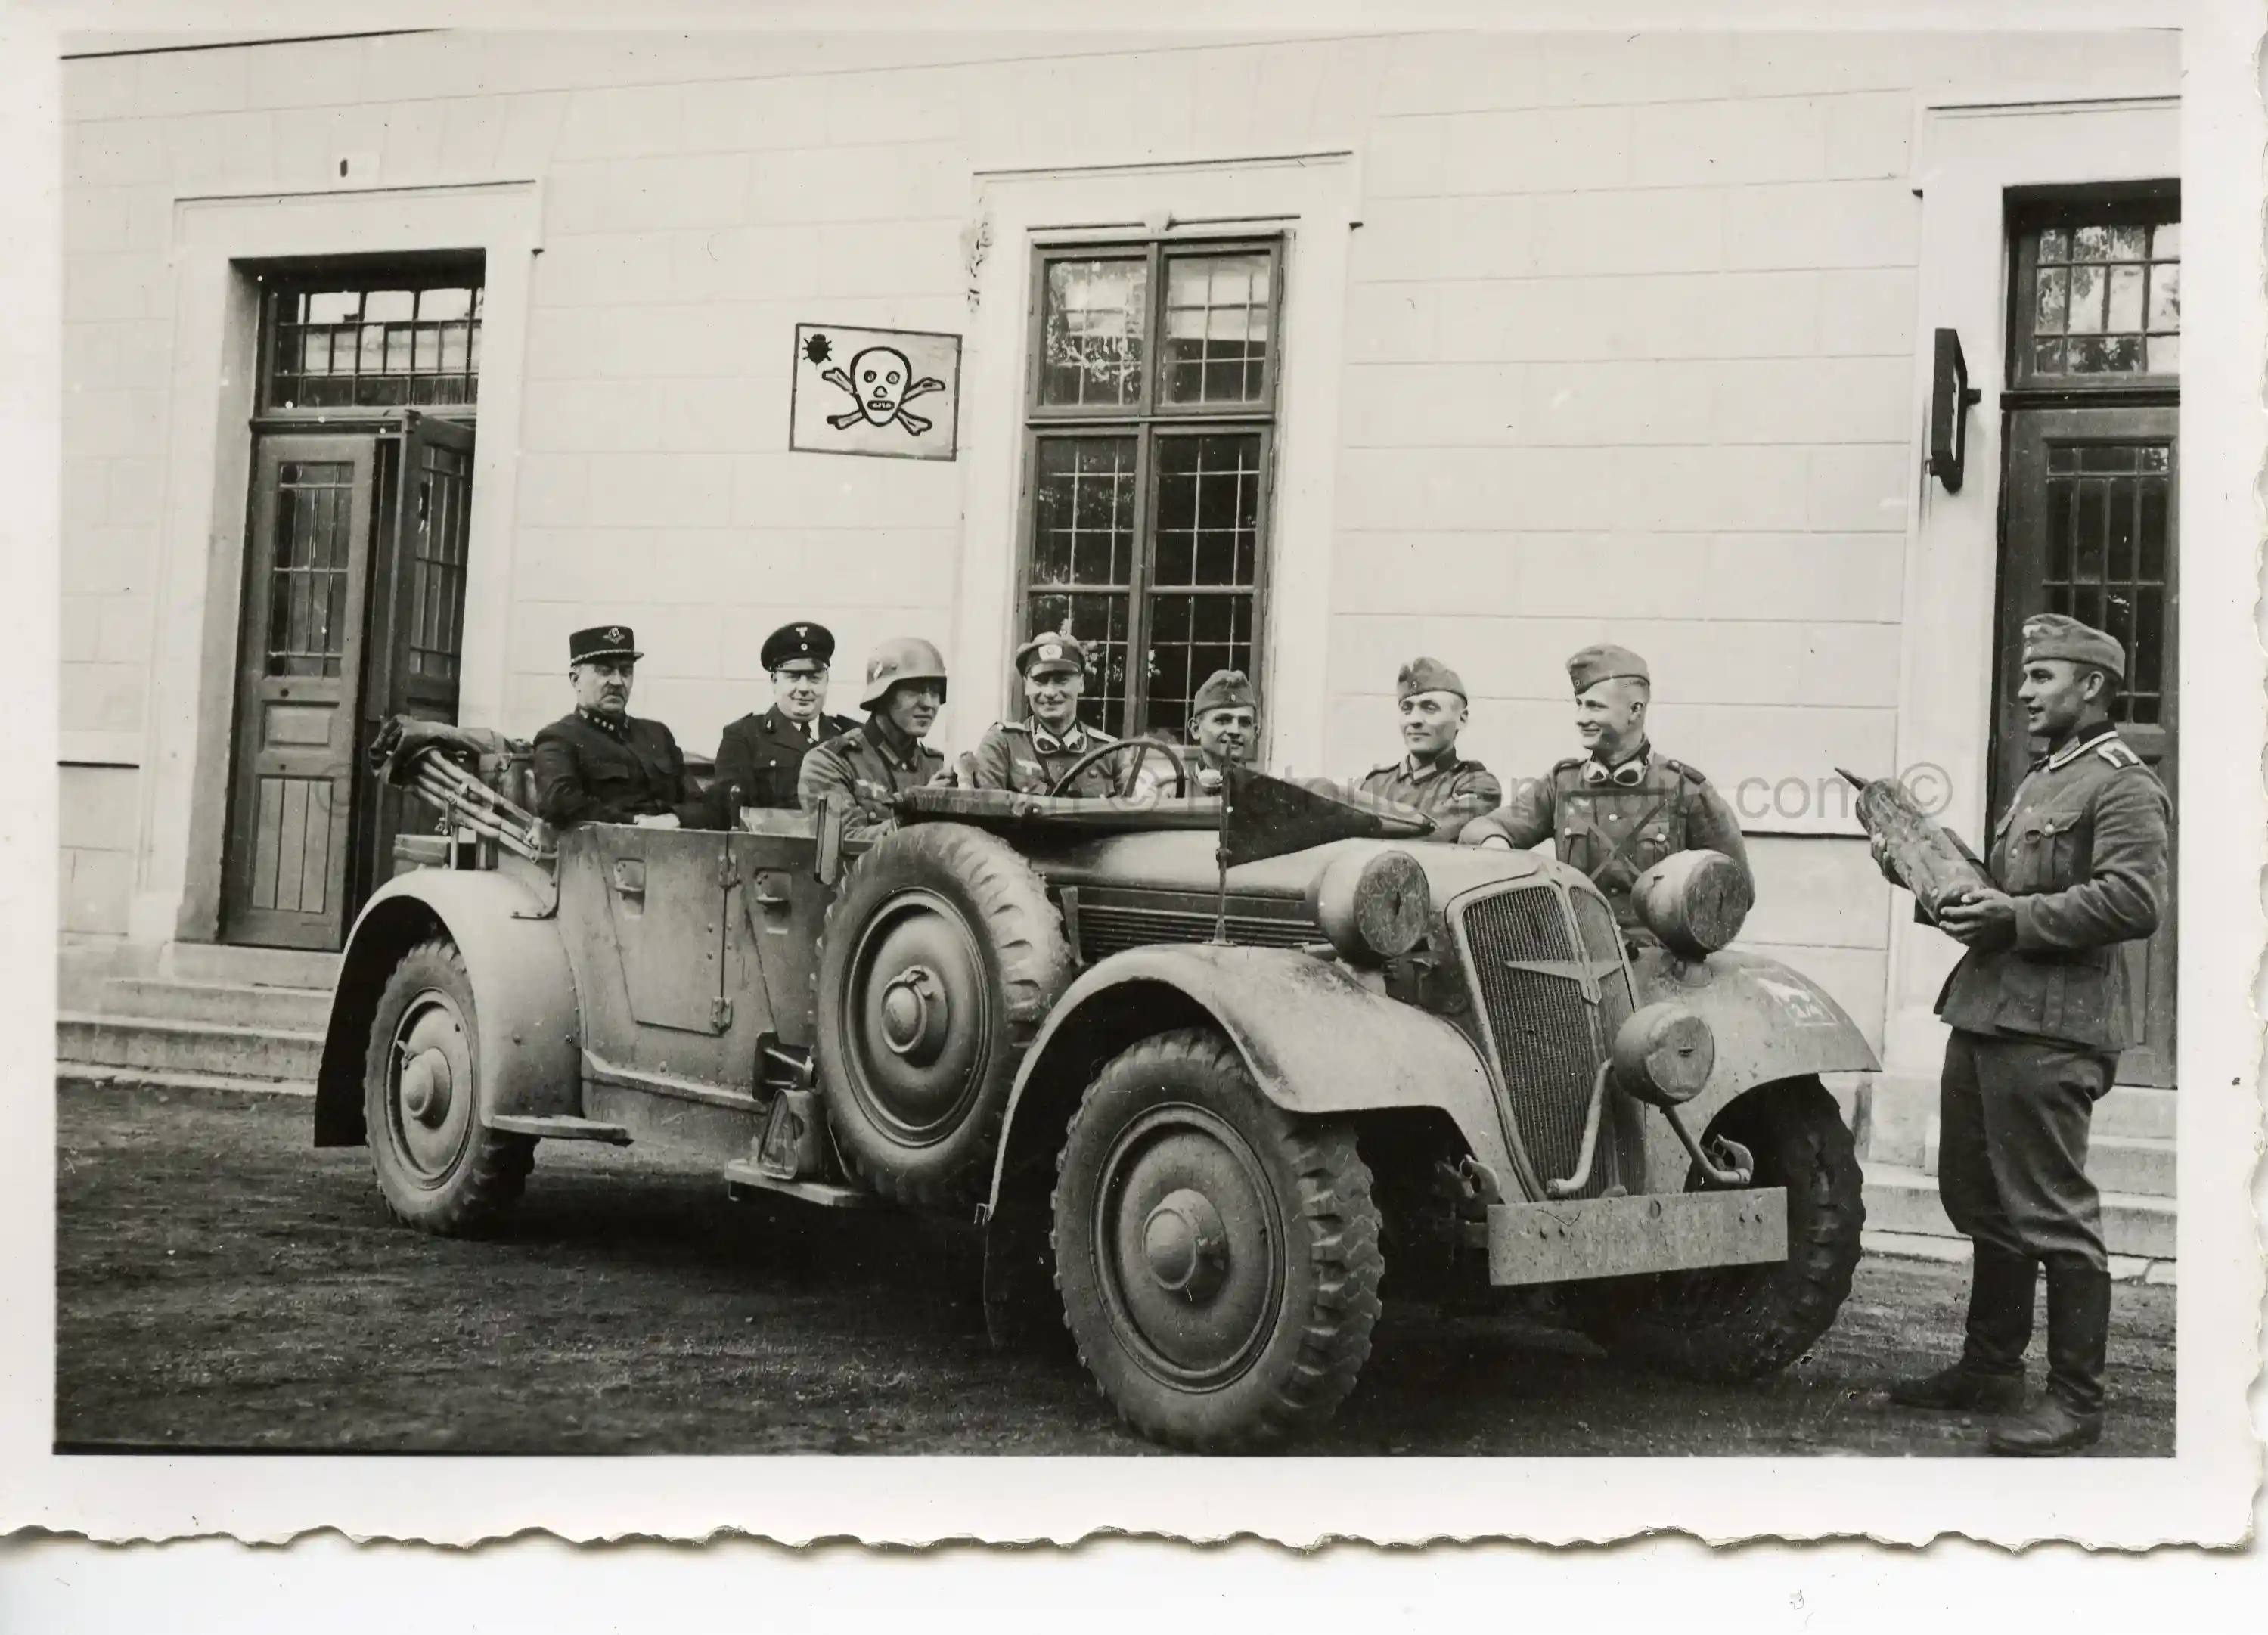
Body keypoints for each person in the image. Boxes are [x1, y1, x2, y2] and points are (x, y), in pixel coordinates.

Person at [1879, 613, 2170, 1457]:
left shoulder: (2120, 783)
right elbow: (2005, 895)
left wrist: (2009, 916)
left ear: (2091, 686)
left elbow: (2133, 900)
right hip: (1985, 1013)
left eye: (2042, 677)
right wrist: (1929, 869)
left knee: (2049, 1212)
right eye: (2024, 675)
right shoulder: (2044, 776)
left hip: (2052, 1030)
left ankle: (2076, 1400)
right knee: (1979, 1200)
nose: (2022, 691)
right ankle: (1989, 1367)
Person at [1459, 643, 1750, 931]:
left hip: (1660, 960)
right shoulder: (1562, 784)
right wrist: (1498, 848)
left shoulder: (1686, 789)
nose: (1581, 718)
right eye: (1579, 705)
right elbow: (1481, 828)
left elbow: (1738, 892)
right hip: (1579, 956)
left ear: (1635, 710)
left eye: (1595, 706)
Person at [531, 625, 712, 829]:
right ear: (576, 681)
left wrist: (675, 819)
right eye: (605, 671)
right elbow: (557, 802)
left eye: (626, 671)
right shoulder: (559, 737)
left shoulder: (657, 735)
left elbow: (701, 804)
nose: (618, 682)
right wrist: (635, 822)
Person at [796, 636, 949, 843]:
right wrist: (918, 813)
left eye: (936, 692)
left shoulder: (935, 767)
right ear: (883, 695)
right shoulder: (830, 763)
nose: (929, 704)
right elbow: (844, 844)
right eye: (915, 690)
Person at [711, 621, 858, 817]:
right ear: (774, 681)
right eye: (793, 677)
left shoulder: (850, 735)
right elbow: (733, 816)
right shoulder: (744, 737)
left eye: (814, 677)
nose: (804, 688)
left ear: (826, 681)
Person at [1348, 657, 1502, 841]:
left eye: (1429, 708)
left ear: (1462, 719)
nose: (1414, 720)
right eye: (1407, 709)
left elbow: (1433, 836)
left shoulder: (1476, 785)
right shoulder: (1375, 785)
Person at [961, 634, 1125, 797]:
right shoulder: (1003, 744)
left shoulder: (1111, 753)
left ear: (1081, 683)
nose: (1050, 692)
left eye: (1062, 680)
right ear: (1027, 686)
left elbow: (1138, 810)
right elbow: (986, 813)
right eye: (1040, 681)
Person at [1186, 669, 1257, 794]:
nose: (1235, 730)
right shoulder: (1174, 793)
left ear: (1255, 732)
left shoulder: (1266, 794)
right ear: (1196, 729)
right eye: (1223, 721)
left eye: (1245, 723)